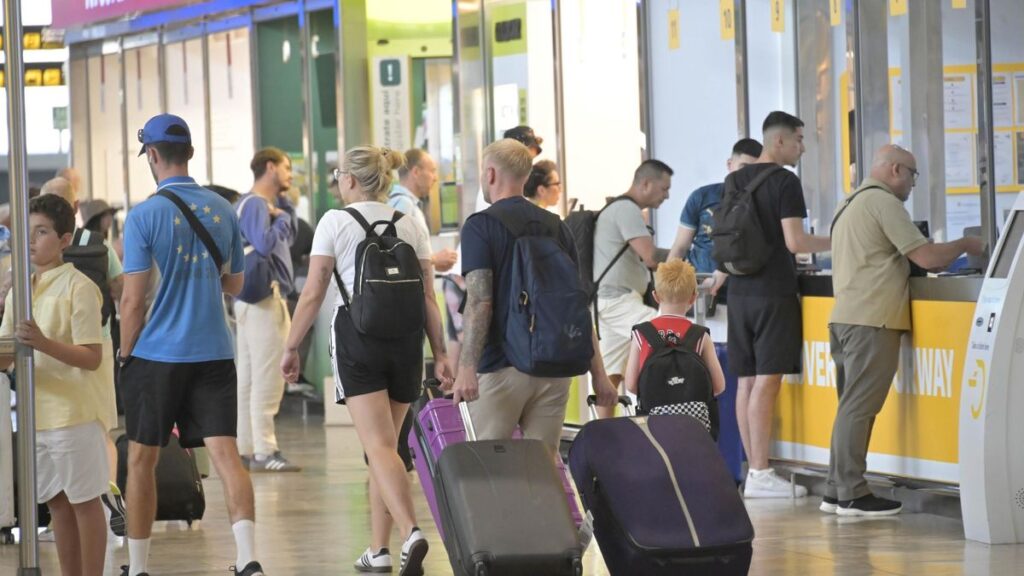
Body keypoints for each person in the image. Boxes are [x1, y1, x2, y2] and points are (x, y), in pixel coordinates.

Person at [282, 146, 452, 576]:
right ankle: (378, 549)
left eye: (339, 174)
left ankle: (411, 531)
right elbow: (428, 297)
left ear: (351, 180)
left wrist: (291, 346)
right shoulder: (411, 224)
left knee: (377, 447)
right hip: (408, 342)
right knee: (387, 449)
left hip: (357, 339)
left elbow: (315, 288)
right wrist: (442, 353)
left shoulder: (334, 222)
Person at [119, 114, 265, 576]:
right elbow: (237, 284)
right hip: (215, 351)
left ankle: (138, 568)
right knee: (226, 456)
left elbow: (133, 300)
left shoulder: (144, 215)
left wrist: (126, 353)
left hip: (158, 355)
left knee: (142, 458)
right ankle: (248, 559)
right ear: (191, 155)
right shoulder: (223, 210)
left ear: (154, 156)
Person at [823, 145, 984, 516]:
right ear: (896, 169)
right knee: (860, 408)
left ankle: (836, 487)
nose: (913, 184)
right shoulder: (883, 203)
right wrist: (965, 244)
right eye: (912, 175)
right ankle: (851, 491)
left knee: (850, 406)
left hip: (846, 316)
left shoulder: (848, 203)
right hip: (873, 319)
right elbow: (927, 258)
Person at [451, 138, 618, 457]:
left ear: (490, 174)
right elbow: (577, 305)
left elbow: (480, 300)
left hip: (501, 368)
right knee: (542, 470)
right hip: (554, 368)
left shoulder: (481, 226)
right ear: (526, 177)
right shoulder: (557, 226)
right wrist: (599, 375)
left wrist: (467, 366)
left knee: (487, 468)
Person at [710, 111, 831, 499]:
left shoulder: (733, 179)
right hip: (773, 291)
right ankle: (762, 473)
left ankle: (754, 471)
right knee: (767, 382)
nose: (803, 146)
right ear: (778, 141)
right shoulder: (784, 181)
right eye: (798, 138)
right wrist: (837, 240)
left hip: (740, 293)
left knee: (746, 382)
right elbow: (795, 243)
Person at [0, 194, 108, 576]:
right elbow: (6, 355)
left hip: (72, 415)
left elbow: (91, 356)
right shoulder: (20, 291)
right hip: (35, 415)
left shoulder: (78, 288)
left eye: (42, 232)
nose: (31, 241)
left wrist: (44, 343)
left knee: (84, 502)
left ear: (64, 240)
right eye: (26, 233)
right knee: (57, 505)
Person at [39, 177, 126, 536]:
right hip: (97, 343)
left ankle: (65, 506)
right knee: (101, 427)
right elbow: (120, 291)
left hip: (46, 350)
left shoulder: (34, 251)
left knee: (55, 433)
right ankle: (108, 491)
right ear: (76, 208)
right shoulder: (99, 247)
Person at [235, 147, 300, 472]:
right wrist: (282, 219)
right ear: (270, 167)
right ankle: (265, 450)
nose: (290, 175)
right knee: (267, 376)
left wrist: (285, 209)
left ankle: (247, 447)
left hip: (247, 302)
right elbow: (263, 244)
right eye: (287, 168)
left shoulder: (250, 204)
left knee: (248, 377)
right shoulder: (258, 204)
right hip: (265, 298)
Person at [591, 159, 673, 417]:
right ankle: (655, 419)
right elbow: (650, 256)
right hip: (618, 302)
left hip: (607, 301)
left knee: (610, 377)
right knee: (668, 331)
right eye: (664, 188)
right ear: (645, 183)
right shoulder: (627, 209)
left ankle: (602, 441)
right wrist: (684, 253)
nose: (667, 195)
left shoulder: (617, 208)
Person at [624, 259, 726, 400]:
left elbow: (630, 385)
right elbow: (718, 386)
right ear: (694, 298)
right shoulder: (701, 335)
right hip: (692, 419)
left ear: (655, 296)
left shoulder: (641, 333)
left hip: (653, 419)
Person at [668, 138, 763, 273]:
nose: (748, 174)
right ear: (730, 164)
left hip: (742, 283)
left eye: (755, 170)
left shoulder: (764, 202)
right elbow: (680, 247)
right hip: (700, 282)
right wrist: (667, 284)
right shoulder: (702, 196)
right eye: (743, 167)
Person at [389, 148, 458, 273]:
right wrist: (434, 259)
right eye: (432, 171)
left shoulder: (408, 204)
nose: (436, 178)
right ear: (416, 172)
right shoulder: (404, 204)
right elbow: (397, 253)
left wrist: (432, 262)